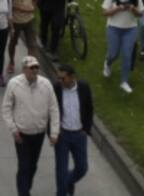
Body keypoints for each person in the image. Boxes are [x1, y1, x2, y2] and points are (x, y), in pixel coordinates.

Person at [1, 56, 59, 196]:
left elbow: (54, 108)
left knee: (32, 166)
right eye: (31, 67)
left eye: (36, 67)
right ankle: (24, 193)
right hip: (21, 135)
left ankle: (26, 189)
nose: (34, 70)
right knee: (24, 166)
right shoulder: (14, 84)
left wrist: (54, 133)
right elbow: (6, 108)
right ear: (24, 69)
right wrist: (13, 130)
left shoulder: (46, 84)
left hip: (39, 134)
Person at [52, 64, 92, 196]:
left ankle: (68, 182)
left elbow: (89, 108)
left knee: (82, 167)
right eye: (58, 78)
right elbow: (50, 111)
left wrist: (86, 129)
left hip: (79, 134)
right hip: (62, 135)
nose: (60, 81)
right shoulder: (56, 88)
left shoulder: (84, 87)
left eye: (62, 78)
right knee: (61, 170)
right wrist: (53, 132)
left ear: (72, 77)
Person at [101, 0, 144, 93]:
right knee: (113, 53)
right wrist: (117, 8)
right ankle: (108, 63)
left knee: (127, 55)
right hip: (114, 28)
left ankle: (124, 81)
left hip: (130, 29)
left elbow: (140, 14)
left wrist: (133, 9)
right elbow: (104, 13)